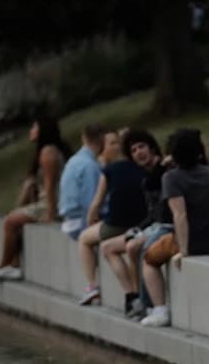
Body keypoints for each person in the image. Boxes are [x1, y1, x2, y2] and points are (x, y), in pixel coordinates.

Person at [138, 129, 209, 327]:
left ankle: (159, 309)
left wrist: (184, 251)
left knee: (148, 260)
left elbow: (180, 215)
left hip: (192, 242)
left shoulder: (171, 178)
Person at [0, 114, 70, 283]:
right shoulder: (47, 150)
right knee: (13, 219)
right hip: (45, 201)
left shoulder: (47, 153)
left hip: (50, 204)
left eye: (34, 127)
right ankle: (14, 265)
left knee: (10, 221)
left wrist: (51, 215)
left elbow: (50, 186)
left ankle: (5, 264)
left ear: (43, 130)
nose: (31, 131)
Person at [75, 129, 149, 306]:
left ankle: (92, 285)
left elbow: (96, 203)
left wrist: (92, 218)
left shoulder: (110, 170)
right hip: (141, 222)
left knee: (85, 239)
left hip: (116, 225)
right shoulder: (144, 169)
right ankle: (134, 295)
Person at [99, 130, 166, 317]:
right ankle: (132, 296)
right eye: (134, 150)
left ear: (151, 147)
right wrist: (137, 229)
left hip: (165, 228)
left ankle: (145, 302)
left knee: (133, 247)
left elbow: (164, 214)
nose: (139, 153)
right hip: (151, 226)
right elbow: (151, 214)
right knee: (107, 247)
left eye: (142, 147)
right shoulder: (146, 178)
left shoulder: (165, 170)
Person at [58, 123, 106, 241]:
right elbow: (91, 204)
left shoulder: (74, 160)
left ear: (84, 138)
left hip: (69, 220)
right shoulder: (90, 166)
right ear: (102, 139)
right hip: (81, 223)